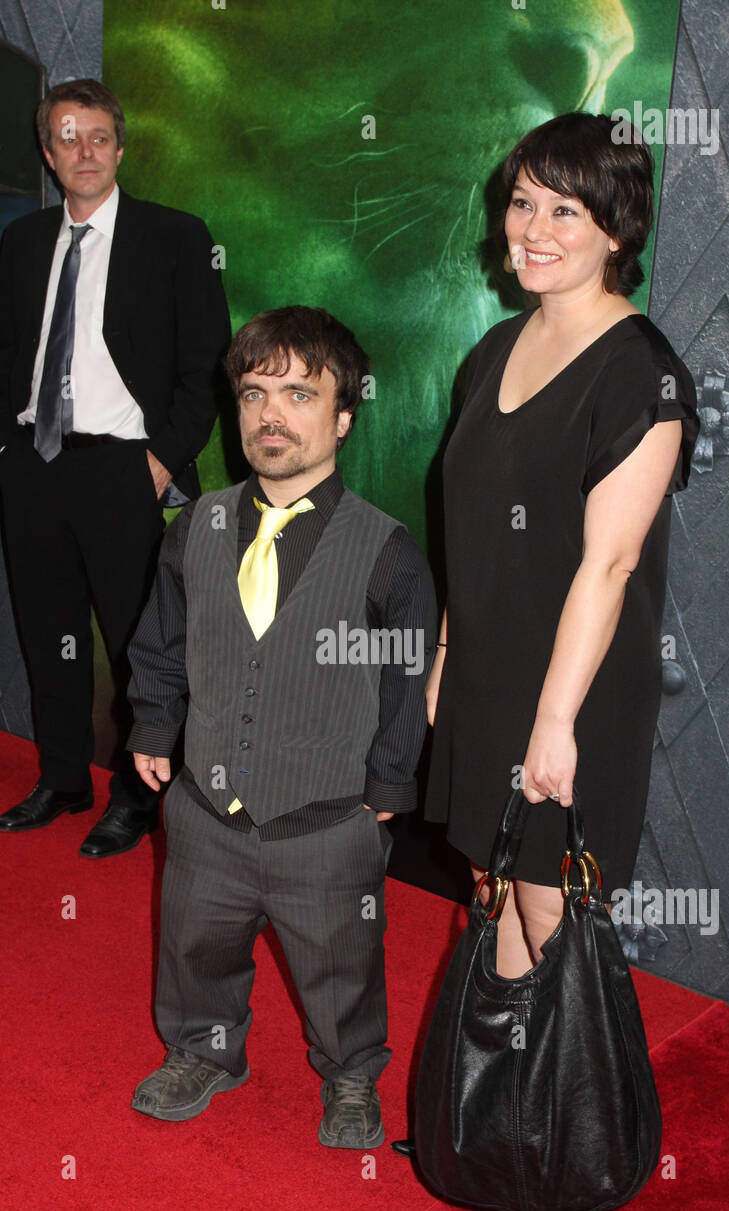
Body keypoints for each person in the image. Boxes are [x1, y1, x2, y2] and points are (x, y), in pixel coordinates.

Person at [416, 112, 699, 1211]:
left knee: (548, 906)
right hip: (487, 672)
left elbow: (609, 561)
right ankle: (505, 1116)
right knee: (496, 889)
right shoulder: (492, 349)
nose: (526, 231)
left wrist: (550, 719)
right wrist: (443, 651)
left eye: (559, 212)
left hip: (571, 693)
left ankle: (559, 1166)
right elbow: (469, 530)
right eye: (520, 203)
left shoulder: (643, 370)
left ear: (613, 228)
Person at [127, 306, 437, 1148]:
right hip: (204, 808)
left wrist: (387, 789)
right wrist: (153, 728)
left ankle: (348, 1075)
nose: (272, 414)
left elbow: (410, 683)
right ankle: (205, 1052)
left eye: (300, 394)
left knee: (342, 964)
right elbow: (159, 641)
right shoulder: (197, 526)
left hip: (328, 820)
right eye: (256, 393)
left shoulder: (388, 551)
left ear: (342, 416)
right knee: (195, 948)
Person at [0, 79, 230, 856]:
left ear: (121, 147)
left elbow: (208, 369)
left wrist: (162, 462)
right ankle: (63, 779)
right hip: (34, 467)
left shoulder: (176, 237)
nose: (84, 151)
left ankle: (136, 799)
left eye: (98, 137)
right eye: (67, 138)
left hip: (127, 472)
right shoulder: (23, 242)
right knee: (46, 633)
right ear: (48, 152)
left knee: (141, 645)